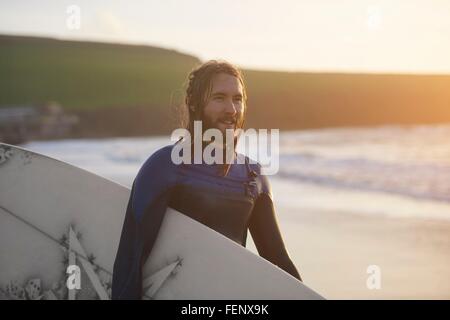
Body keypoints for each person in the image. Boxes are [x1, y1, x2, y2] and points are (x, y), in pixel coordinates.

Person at [111, 60, 301, 299]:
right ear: (194, 104)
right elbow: (131, 261)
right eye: (219, 98)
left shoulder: (252, 176)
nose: (232, 109)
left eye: (238, 99)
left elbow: (278, 260)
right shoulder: (165, 167)